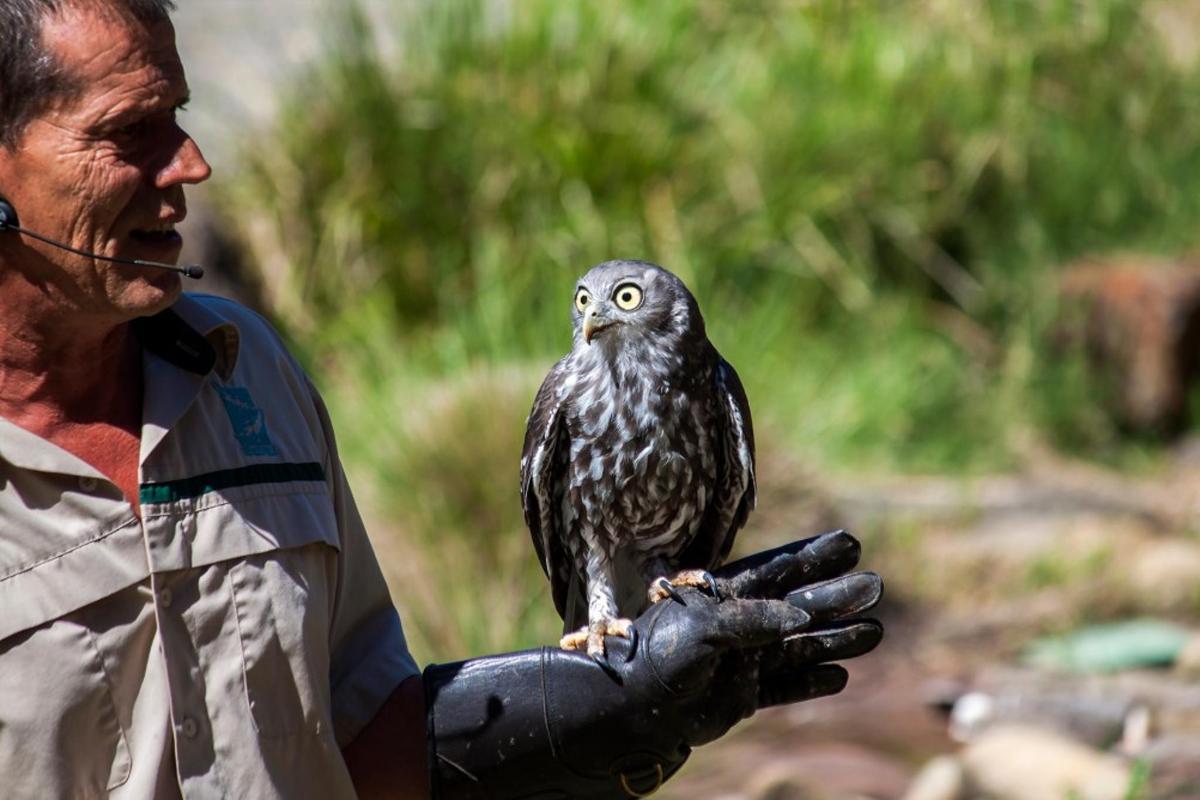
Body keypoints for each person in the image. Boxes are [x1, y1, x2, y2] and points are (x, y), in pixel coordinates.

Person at [0, 1, 884, 798]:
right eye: (130, 131)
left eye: (181, 118)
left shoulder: (246, 372)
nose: (190, 163)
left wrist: (602, 713)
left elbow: (360, 723)